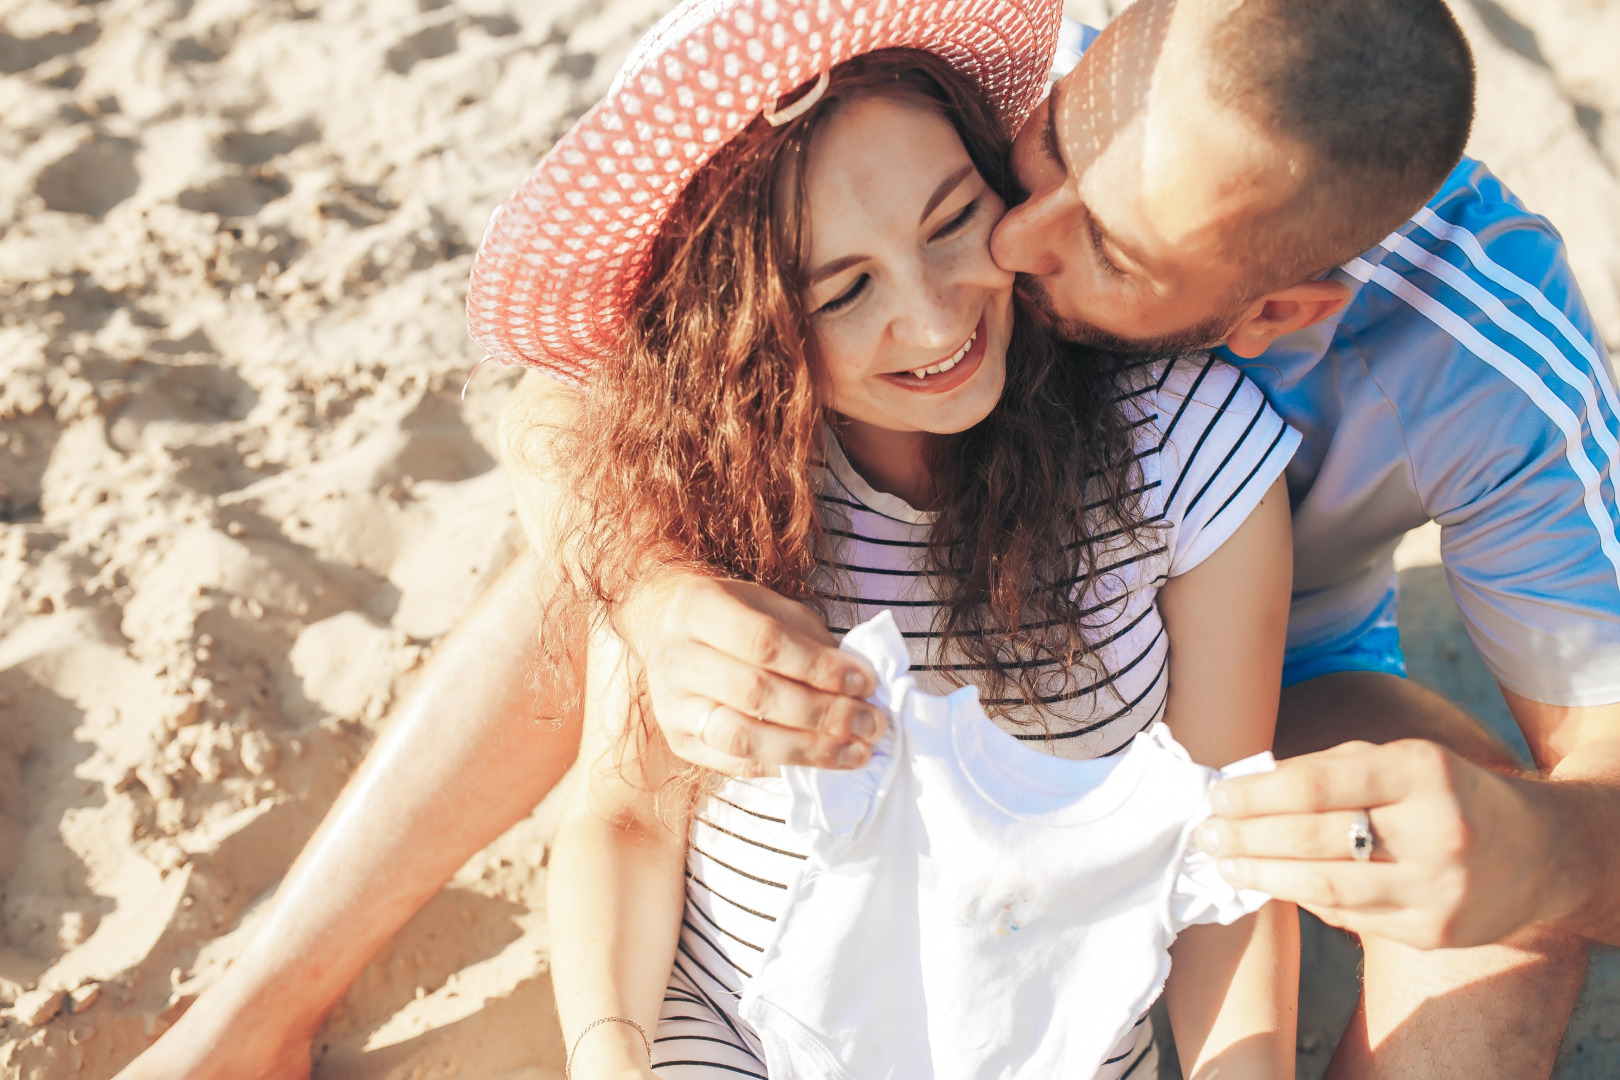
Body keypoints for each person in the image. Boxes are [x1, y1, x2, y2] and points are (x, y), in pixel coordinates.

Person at [116, 0, 1620, 1078]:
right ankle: (253, 1016)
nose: (1007, 260)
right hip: (915, 537)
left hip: (1281, 659)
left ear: (1271, 314)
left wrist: (1541, 850)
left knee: (1498, 888)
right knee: (606, 558)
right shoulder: (1041, 97)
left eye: (1097, 251)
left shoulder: (1495, 371)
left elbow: (1602, 796)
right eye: (1032, 171)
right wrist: (649, 588)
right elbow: (597, 408)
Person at [516, 29, 1298, 1078]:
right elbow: (627, 822)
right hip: (735, 1035)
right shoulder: (696, 488)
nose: (931, 320)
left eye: (952, 223)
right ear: (736, 327)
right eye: (842, 293)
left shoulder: (1180, 449)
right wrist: (611, 1061)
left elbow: (1227, 859)